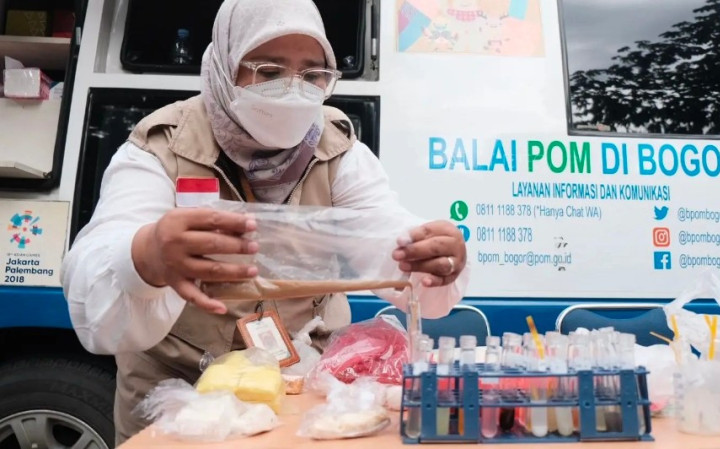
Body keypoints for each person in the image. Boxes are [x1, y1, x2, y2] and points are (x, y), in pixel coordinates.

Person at [61, 0, 469, 444]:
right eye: (269, 72)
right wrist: (145, 256)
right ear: (224, 66)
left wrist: (430, 256)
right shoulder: (160, 148)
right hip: (178, 407)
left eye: (313, 75)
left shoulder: (339, 152)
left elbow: (387, 240)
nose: (294, 92)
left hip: (300, 399)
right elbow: (94, 282)